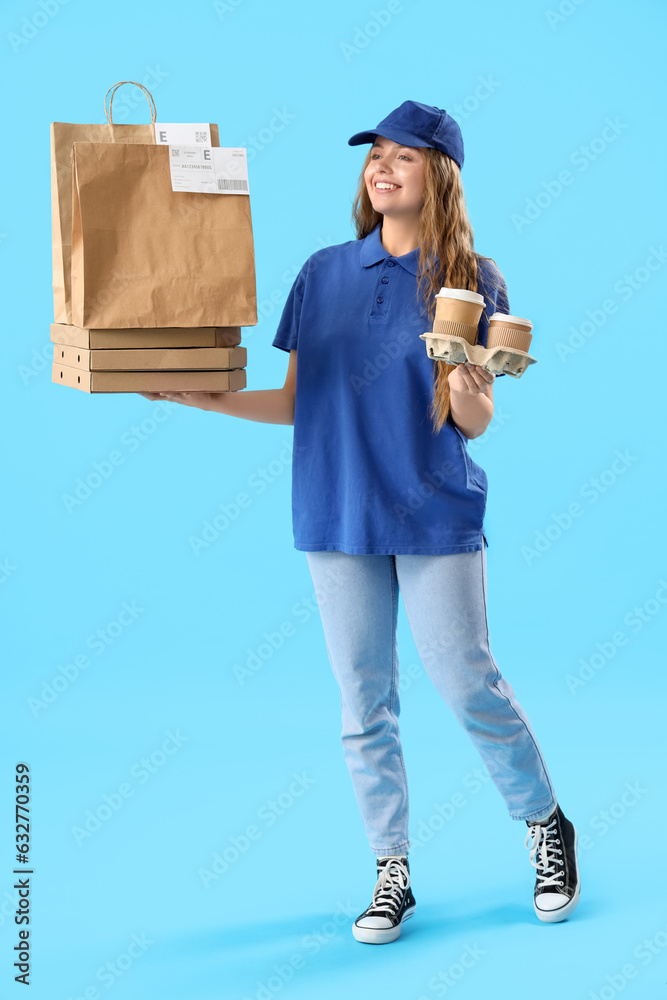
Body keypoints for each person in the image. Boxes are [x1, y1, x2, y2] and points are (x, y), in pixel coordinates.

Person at [138, 100, 581, 946]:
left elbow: (477, 420)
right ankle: (391, 870)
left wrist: (456, 367)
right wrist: (198, 395)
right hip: (334, 508)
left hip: (431, 507)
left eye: (402, 157)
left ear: (438, 175)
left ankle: (544, 825)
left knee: (465, 680)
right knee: (362, 703)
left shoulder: (473, 279)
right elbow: (297, 403)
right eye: (373, 156)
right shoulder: (322, 273)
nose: (381, 169)